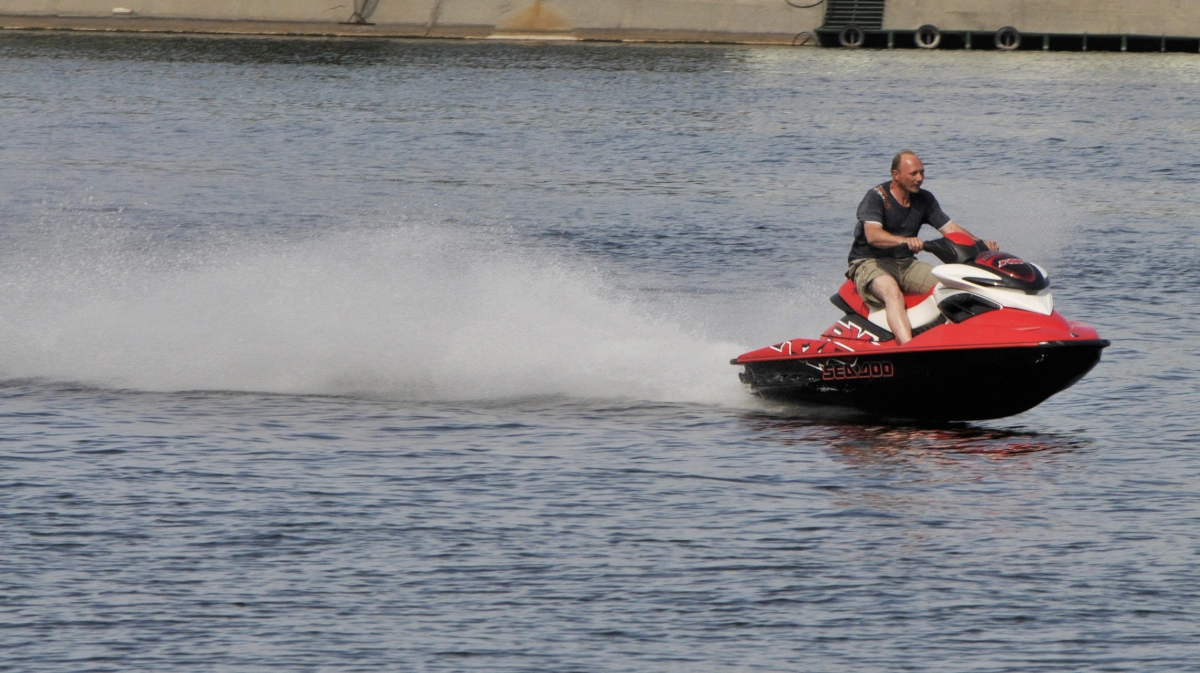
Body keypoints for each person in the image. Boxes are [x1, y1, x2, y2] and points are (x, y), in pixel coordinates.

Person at [847, 151, 997, 344]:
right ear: (896, 175)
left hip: (905, 263)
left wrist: (981, 245)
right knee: (892, 291)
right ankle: (908, 348)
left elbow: (950, 229)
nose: (920, 178)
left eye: (922, 173)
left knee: (950, 286)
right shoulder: (877, 197)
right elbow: (873, 235)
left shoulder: (924, 199)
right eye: (913, 174)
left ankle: (956, 338)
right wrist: (904, 240)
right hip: (868, 262)